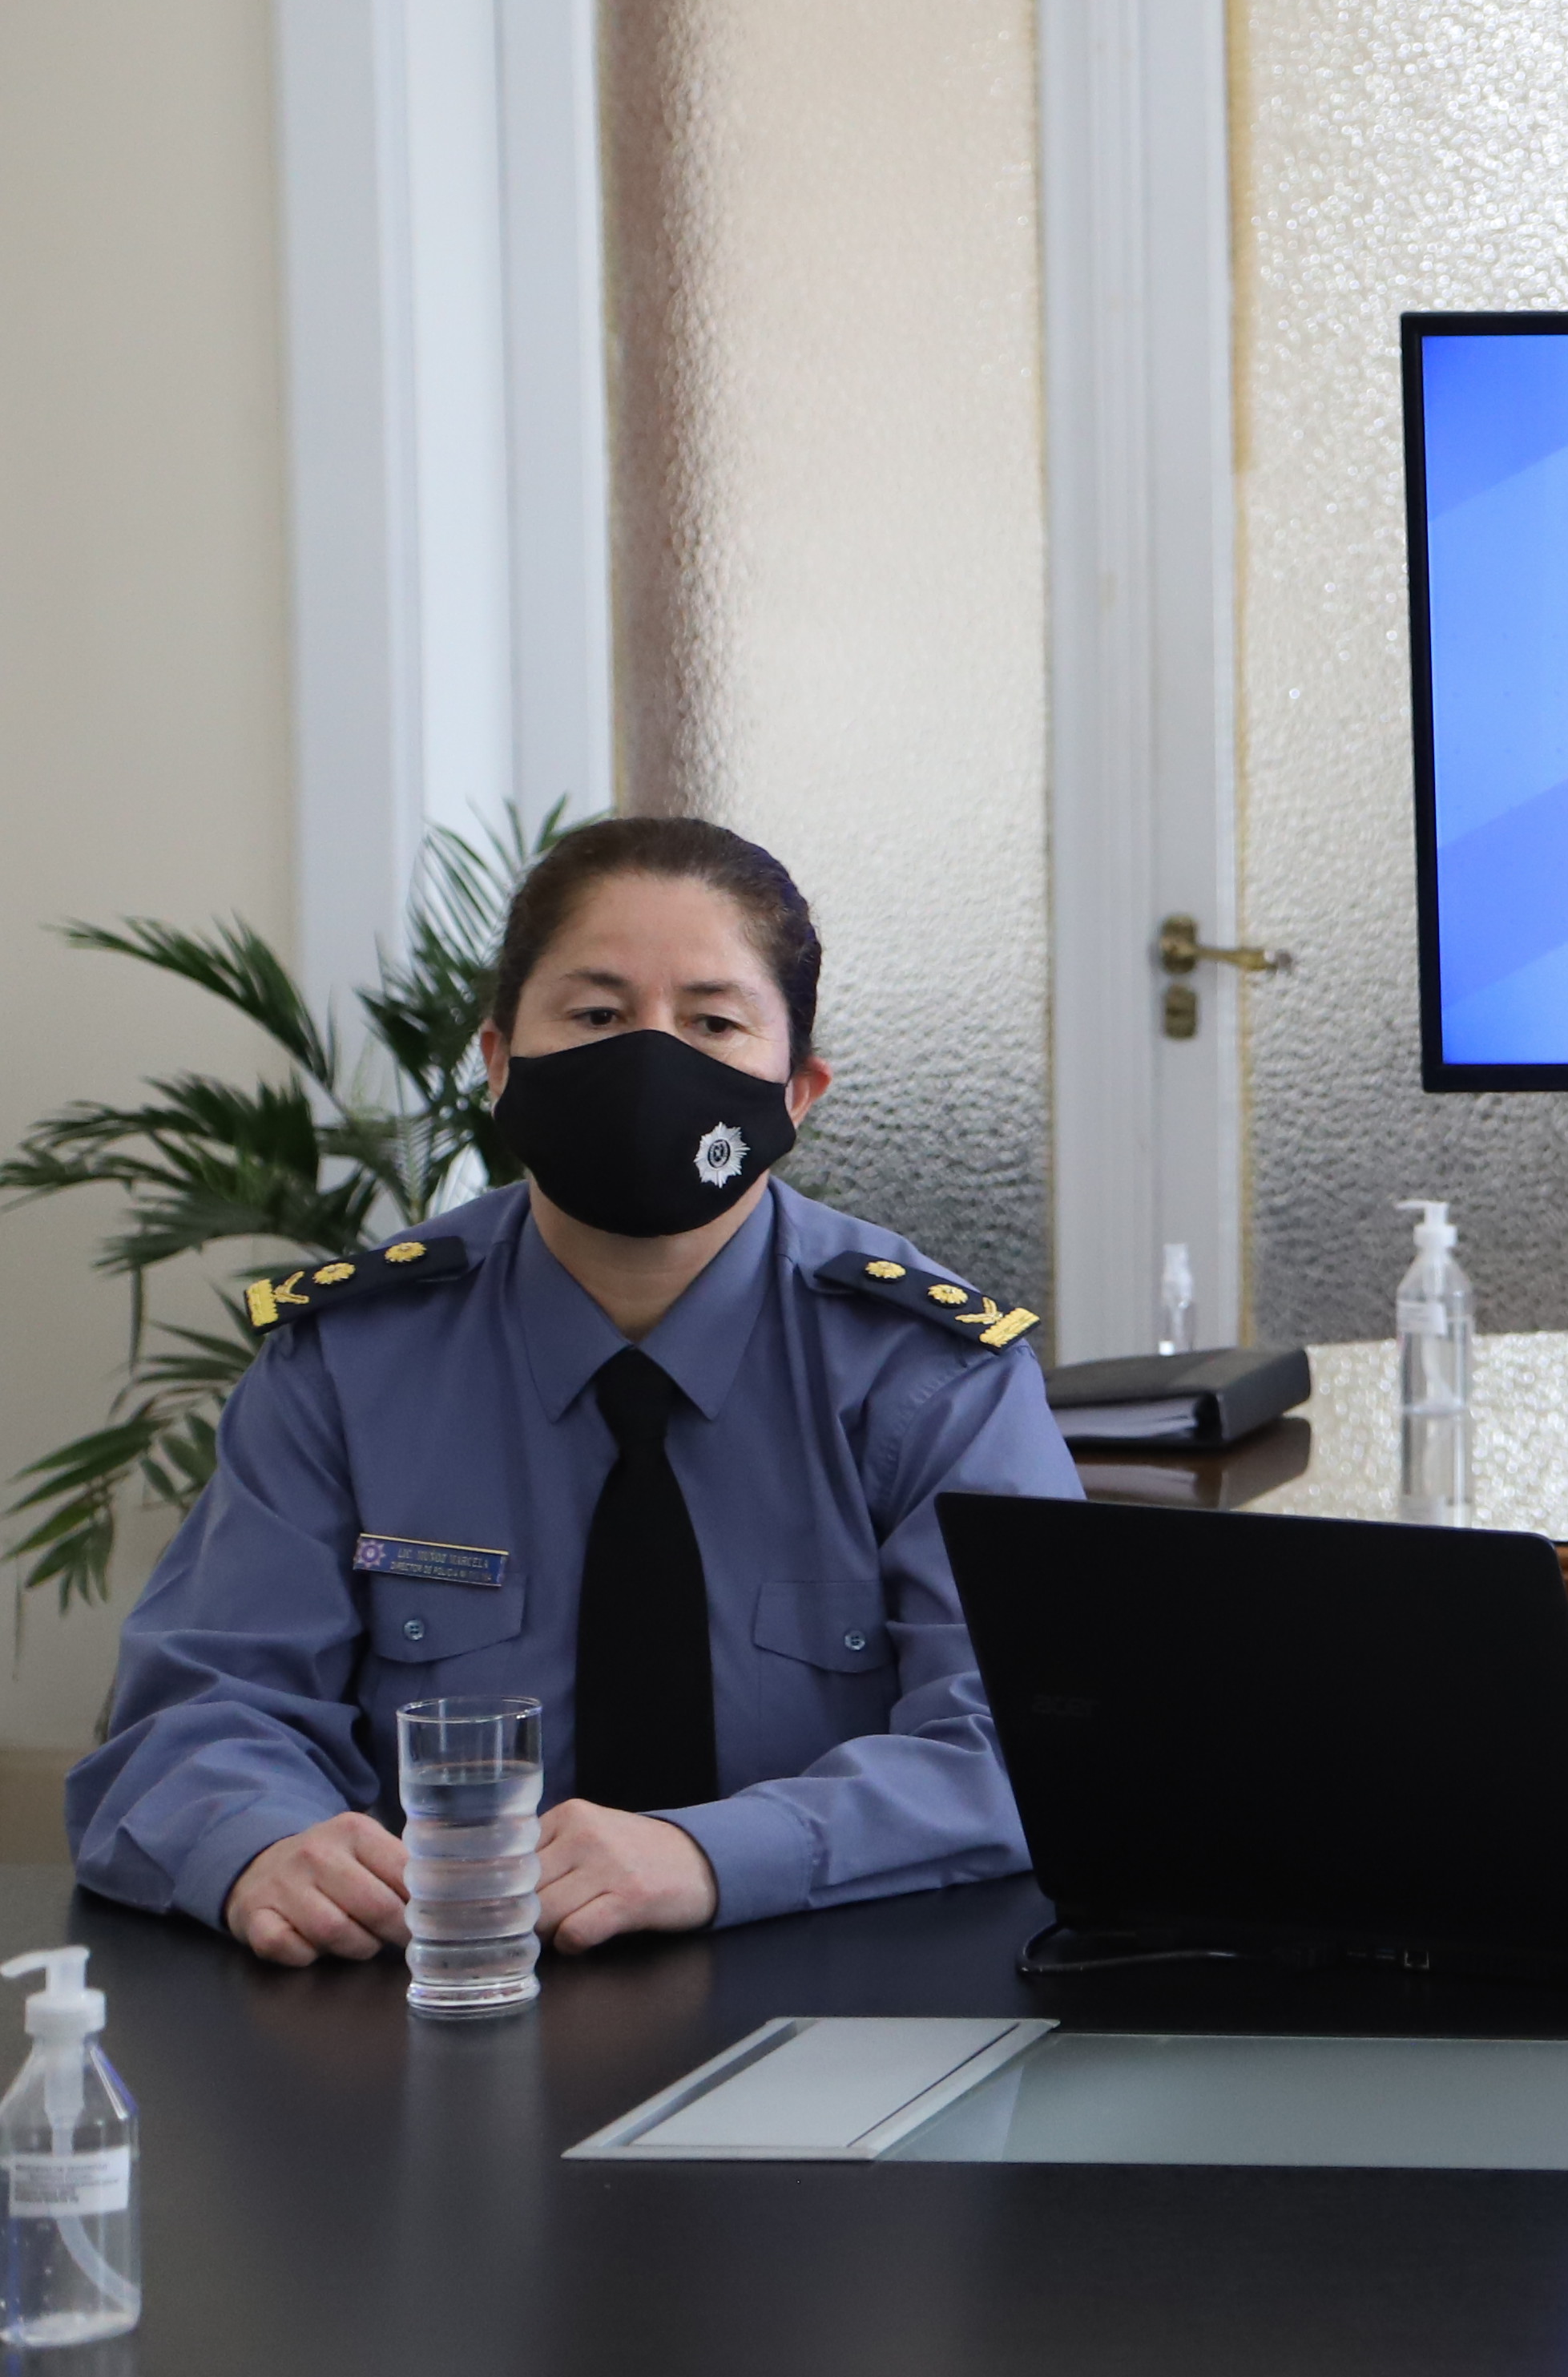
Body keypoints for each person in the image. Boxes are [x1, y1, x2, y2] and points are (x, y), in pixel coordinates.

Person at [71, 817, 1078, 1963]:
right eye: (597, 1016)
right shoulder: (350, 1362)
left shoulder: (931, 1369)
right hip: (438, 1983)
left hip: (849, 1983)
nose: (649, 1061)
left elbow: (1025, 1738)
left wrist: (713, 1855)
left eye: (712, 1022)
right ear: (500, 1060)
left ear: (798, 1091)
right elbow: (198, 1709)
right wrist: (260, 1846)